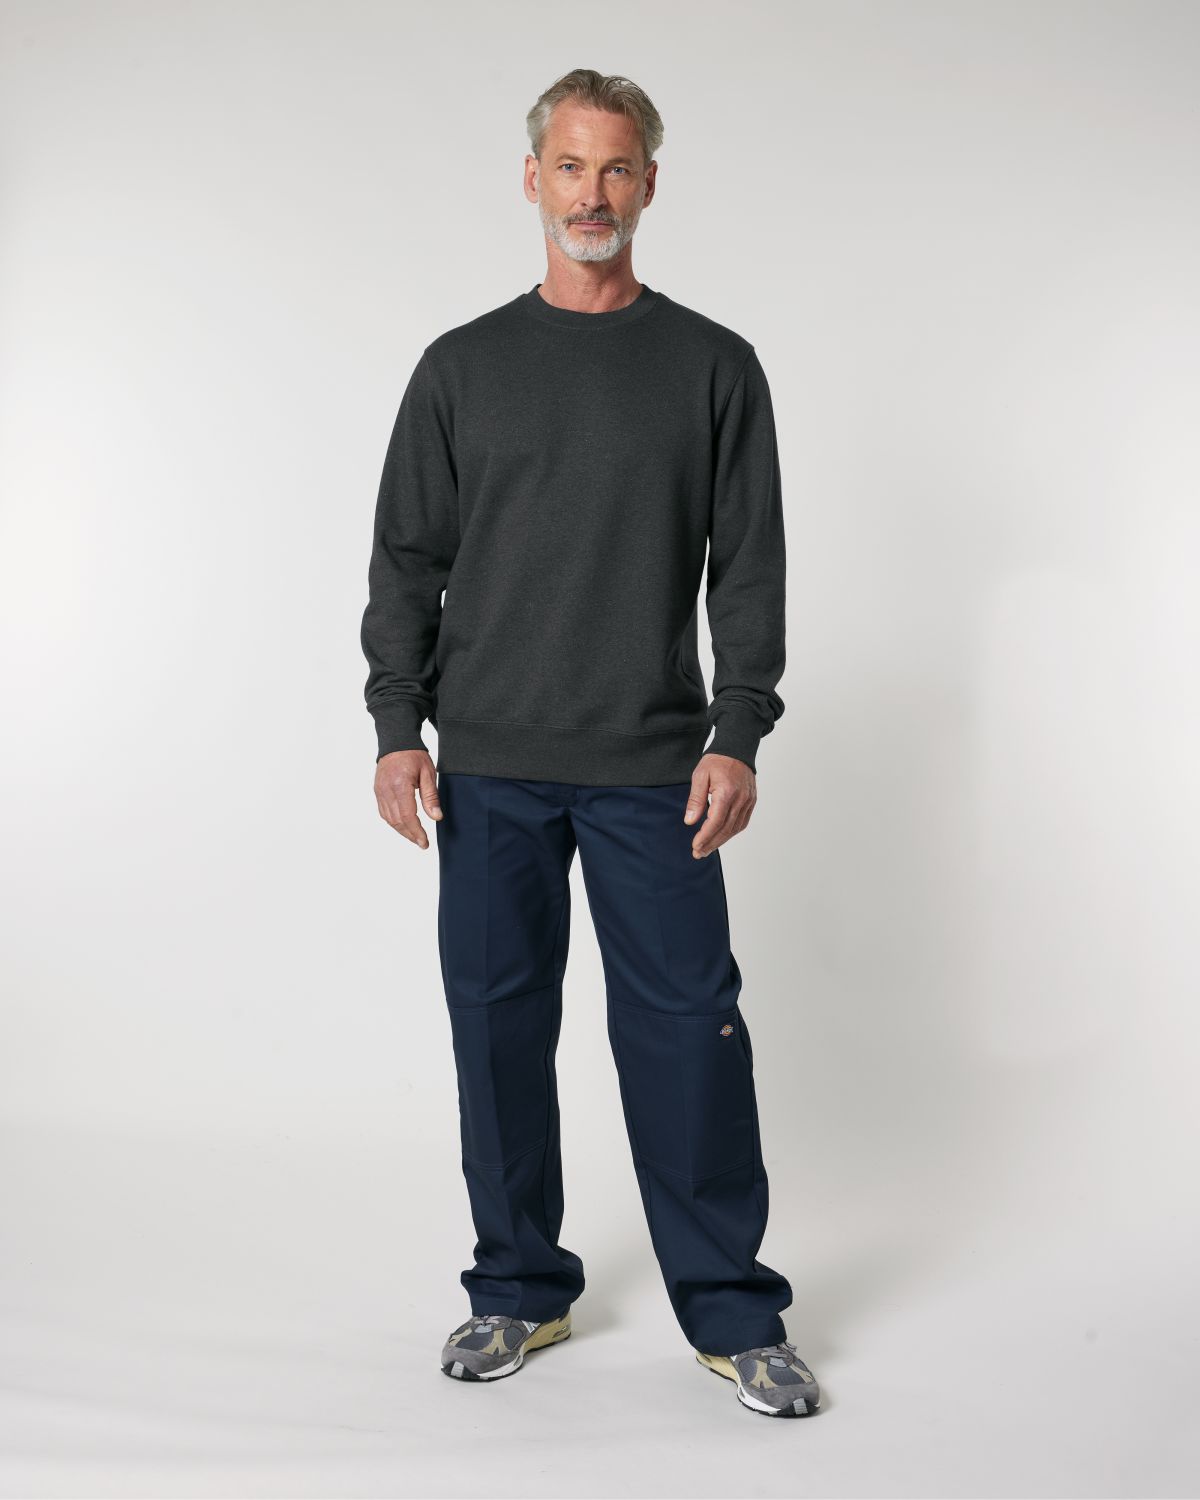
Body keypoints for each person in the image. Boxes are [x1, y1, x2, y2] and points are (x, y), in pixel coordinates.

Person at [360, 67, 820, 1419]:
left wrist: (739, 729)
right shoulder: (461, 368)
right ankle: (517, 1289)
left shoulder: (713, 366)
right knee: (498, 1030)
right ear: (532, 180)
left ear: (650, 184)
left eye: (617, 168)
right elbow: (407, 561)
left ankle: (734, 1312)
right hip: (488, 763)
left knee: (688, 1037)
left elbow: (749, 568)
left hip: (654, 766)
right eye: (570, 166)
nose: (593, 194)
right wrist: (398, 725)